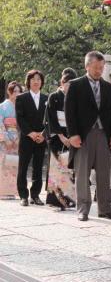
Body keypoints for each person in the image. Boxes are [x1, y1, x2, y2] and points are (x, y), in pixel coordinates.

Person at [65, 51, 111, 221]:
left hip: (103, 134)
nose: (99, 71)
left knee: (104, 173)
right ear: (87, 66)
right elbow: (69, 112)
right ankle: (83, 209)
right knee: (82, 174)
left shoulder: (109, 87)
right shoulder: (75, 85)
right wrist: (72, 134)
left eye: (101, 68)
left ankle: (105, 208)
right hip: (83, 135)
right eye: (96, 68)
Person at [45, 68, 77, 210]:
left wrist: (73, 136)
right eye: (66, 83)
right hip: (58, 137)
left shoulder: (76, 99)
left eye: (71, 84)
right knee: (56, 168)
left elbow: (78, 120)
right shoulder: (54, 97)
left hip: (72, 137)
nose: (68, 86)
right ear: (61, 82)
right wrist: (61, 135)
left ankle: (68, 199)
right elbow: (50, 119)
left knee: (70, 168)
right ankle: (55, 200)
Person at [16, 70, 48, 207]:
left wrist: (43, 134)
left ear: (42, 82)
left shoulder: (47, 99)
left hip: (41, 138)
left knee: (38, 167)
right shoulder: (21, 98)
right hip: (26, 138)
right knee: (23, 167)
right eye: (33, 79)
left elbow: (50, 120)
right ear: (28, 81)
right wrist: (31, 133)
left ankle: (35, 195)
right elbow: (20, 118)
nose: (36, 81)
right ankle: (23, 195)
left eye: (38, 79)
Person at [0, 81, 23, 199]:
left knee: (14, 164)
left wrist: (19, 138)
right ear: (9, 92)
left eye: (19, 91)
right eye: (15, 91)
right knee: (4, 165)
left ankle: (13, 191)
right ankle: (3, 191)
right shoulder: (2, 106)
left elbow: (22, 125)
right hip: (6, 140)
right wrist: (6, 139)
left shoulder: (20, 106)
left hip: (17, 139)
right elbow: (0, 123)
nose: (17, 94)